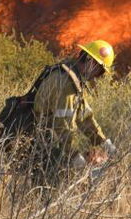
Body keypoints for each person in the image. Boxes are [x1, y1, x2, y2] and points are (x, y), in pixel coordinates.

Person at [30, 40, 117, 186]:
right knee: (48, 194)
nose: (97, 76)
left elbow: (85, 118)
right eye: (99, 70)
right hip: (43, 146)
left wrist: (104, 143)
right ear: (89, 60)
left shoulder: (75, 79)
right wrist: (76, 158)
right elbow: (62, 128)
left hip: (52, 145)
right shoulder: (65, 83)